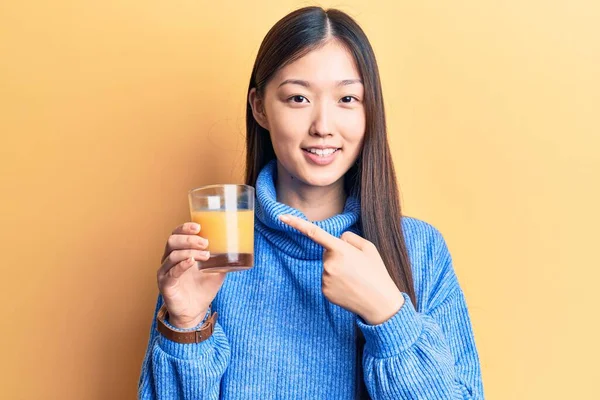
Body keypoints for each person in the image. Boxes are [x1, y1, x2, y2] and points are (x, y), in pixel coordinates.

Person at [138, 6, 484, 400]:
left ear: (370, 111)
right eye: (298, 98)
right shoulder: (217, 249)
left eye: (347, 98)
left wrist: (389, 316)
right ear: (260, 107)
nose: (323, 125)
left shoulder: (419, 249)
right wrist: (185, 325)